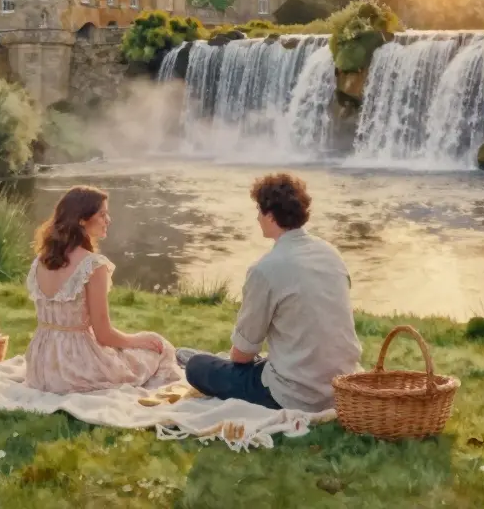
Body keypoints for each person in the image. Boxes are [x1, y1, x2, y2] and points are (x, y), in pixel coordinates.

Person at [184, 173, 361, 412]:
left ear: (269, 215)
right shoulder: (331, 253)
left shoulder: (265, 270)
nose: (257, 217)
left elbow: (242, 356)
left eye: (258, 210)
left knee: (197, 366)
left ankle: (205, 362)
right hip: (341, 385)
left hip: (296, 394)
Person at [25, 186, 182, 394]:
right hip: (76, 368)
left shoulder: (40, 261)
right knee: (158, 345)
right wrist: (136, 340)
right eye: (102, 214)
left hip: (41, 365)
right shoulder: (92, 265)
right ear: (82, 219)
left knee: (142, 346)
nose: (108, 220)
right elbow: (104, 335)